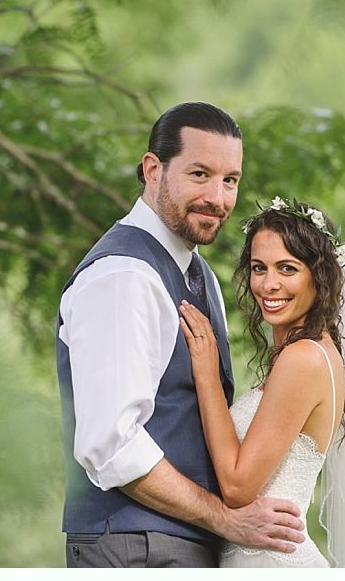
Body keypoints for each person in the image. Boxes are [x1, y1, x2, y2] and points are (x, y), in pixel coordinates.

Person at [55, 103, 306, 567]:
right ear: (153, 170)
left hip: (182, 546)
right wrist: (223, 519)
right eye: (200, 174)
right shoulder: (122, 275)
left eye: (230, 180)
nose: (218, 196)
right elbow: (111, 445)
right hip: (134, 549)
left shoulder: (200, 274)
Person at [178, 196, 345, 567]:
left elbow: (237, 487)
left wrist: (206, 374)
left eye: (287, 269)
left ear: (320, 276)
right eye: (258, 268)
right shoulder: (320, 352)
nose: (268, 285)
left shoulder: (303, 359)